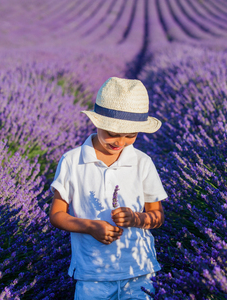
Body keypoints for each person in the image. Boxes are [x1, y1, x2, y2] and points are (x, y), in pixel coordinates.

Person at [49, 77, 168, 299]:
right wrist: (89, 226)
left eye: (130, 135)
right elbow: (56, 215)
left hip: (138, 270)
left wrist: (136, 219)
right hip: (92, 273)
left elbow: (158, 216)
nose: (120, 142)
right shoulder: (72, 161)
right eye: (113, 133)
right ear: (98, 123)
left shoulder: (142, 162)